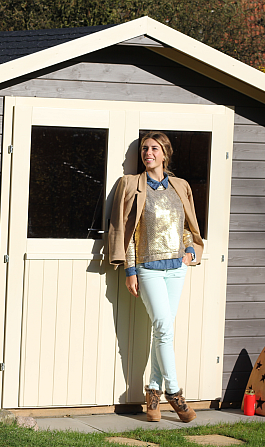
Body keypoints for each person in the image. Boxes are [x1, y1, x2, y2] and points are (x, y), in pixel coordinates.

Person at [108, 131, 204, 423]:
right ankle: (174, 394)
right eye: (143, 149)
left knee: (162, 330)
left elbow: (186, 224)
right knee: (163, 325)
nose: (147, 153)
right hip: (148, 268)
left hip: (176, 268)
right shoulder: (131, 185)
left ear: (165, 154)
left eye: (153, 149)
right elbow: (128, 232)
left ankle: (152, 393)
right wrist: (130, 270)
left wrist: (189, 250)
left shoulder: (180, 186)